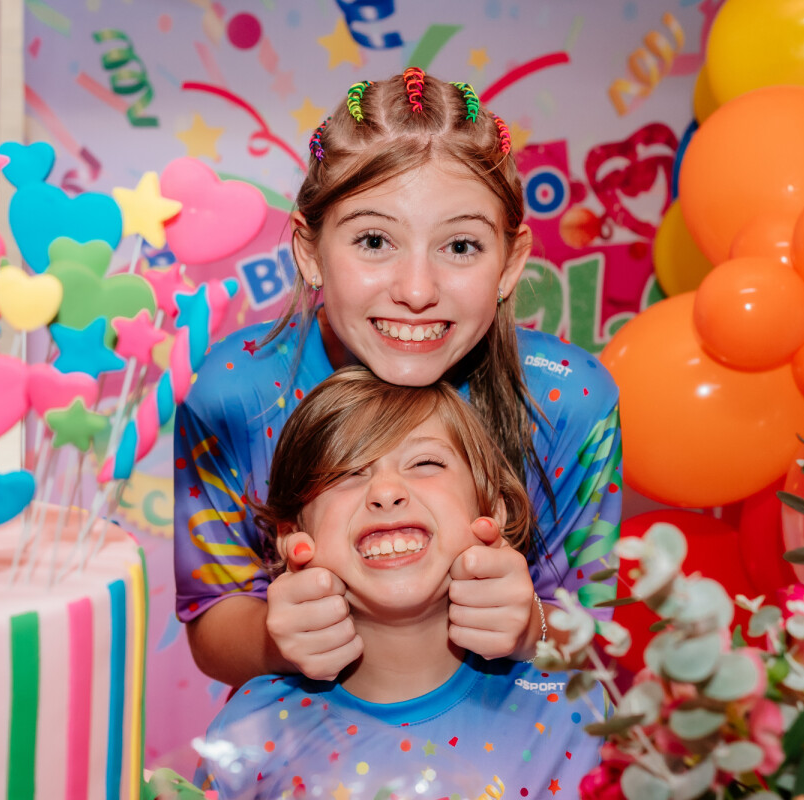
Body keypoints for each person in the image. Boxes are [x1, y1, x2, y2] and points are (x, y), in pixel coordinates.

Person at [175, 68, 622, 689]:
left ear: (509, 262)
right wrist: (274, 638)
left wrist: (533, 628)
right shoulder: (234, 395)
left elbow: (595, 638)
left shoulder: (569, 401)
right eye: (374, 240)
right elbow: (213, 624)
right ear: (309, 251)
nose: (416, 290)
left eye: (460, 246)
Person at [192, 367, 604, 798]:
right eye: (347, 472)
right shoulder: (247, 735)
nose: (386, 491)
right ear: (292, 535)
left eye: (426, 463)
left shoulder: (578, 716)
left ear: (492, 510)